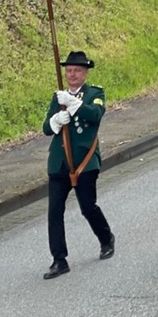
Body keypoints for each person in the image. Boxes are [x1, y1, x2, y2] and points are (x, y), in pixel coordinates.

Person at [41, 51, 115, 279]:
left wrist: (73, 104)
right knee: (54, 211)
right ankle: (59, 259)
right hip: (60, 162)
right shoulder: (58, 97)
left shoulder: (95, 93)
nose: (72, 74)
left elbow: (95, 115)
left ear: (85, 73)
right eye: (69, 70)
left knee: (87, 206)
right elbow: (46, 128)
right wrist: (55, 121)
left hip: (84, 162)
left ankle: (106, 238)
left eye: (77, 71)